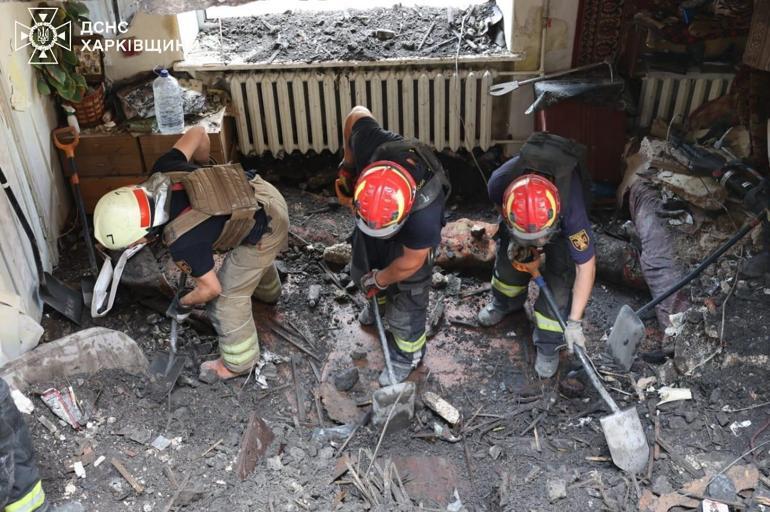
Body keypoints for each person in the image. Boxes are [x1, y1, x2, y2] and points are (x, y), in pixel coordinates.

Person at [92, 127, 288, 382]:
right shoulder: (164, 169)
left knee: (227, 298)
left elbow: (211, 289)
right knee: (247, 261)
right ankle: (269, 293)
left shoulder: (182, 242)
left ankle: (239, 363)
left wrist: (185, 301)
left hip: (268, 227)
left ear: (143, 235)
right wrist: (203, 167)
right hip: (262, 193)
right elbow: (198, 133)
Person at [336, 106, 450, 385]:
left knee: (409, 293)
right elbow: (356, 114)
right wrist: (348, 164)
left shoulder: (424, 216)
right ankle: (379, 305)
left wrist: (380, 278)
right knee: (365, 257)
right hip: (377, 212)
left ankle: (408, 354)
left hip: (412, 241)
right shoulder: (369, 145)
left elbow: (410, 262)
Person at [477, 132, 596, 379]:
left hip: (560, 228)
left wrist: (573, 322)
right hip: (520, 220)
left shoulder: (572, 209)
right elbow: (499, 204)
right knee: (509, 263)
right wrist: (517, 237)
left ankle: (549, 343)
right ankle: (505, 303)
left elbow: (586, 266)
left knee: (560, 281)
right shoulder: (501, 182)